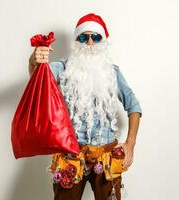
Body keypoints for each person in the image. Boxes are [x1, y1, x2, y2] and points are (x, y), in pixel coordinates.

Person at [28, 13, 142, 200]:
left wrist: (131, 144)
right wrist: (35, 59)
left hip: (106, 155)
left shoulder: (112, 72)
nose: (89, 43)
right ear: (76, 41)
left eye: (95, 37)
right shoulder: (63, 69)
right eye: (83, 37)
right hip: (70, 155)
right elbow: (38, 76)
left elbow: (134, 106)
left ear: (102, 42)